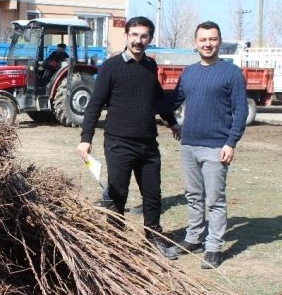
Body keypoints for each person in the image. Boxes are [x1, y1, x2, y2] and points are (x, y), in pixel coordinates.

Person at [76, 16, 181, 260]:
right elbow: (95, 105)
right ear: (126, 36)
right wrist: (86, 138)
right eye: (134, 35)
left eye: (144, 36)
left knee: (153, 194)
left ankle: (153, 237)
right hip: (118, 143)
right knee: (117, 194)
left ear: (150, 39)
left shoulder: (150, 66)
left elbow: (156, 97)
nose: (138, 40)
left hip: (147, 144)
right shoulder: (111, 67)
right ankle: (115, 242)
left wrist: (173, 122)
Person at [169, 21, 248, 269]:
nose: (207, 43)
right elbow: (174, 100)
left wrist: (231, 142)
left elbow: (241, 109)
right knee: (193, 196)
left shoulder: (231, 73)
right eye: (203, 39)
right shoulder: (189, 73)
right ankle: (193, 238)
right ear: (195, 42)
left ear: (219, 41)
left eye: (212, 39)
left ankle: (213, 247)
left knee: (214, 199)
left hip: (216, 147)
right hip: (189, 144)